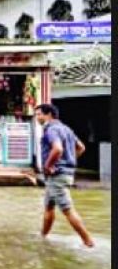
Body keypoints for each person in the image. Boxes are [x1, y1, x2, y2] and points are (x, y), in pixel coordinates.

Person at [35, 104, 94, 248]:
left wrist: (49, 165)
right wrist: (69, 162)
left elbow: (58, 149)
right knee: (49, 207)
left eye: (38, 114)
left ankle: (89, 243)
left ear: (48, 114)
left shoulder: (51, 129)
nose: (37, 117)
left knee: (67, 209)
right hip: (61, 174)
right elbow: (81, 148)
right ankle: (43, 236)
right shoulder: (66, 129)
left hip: (57, 176)